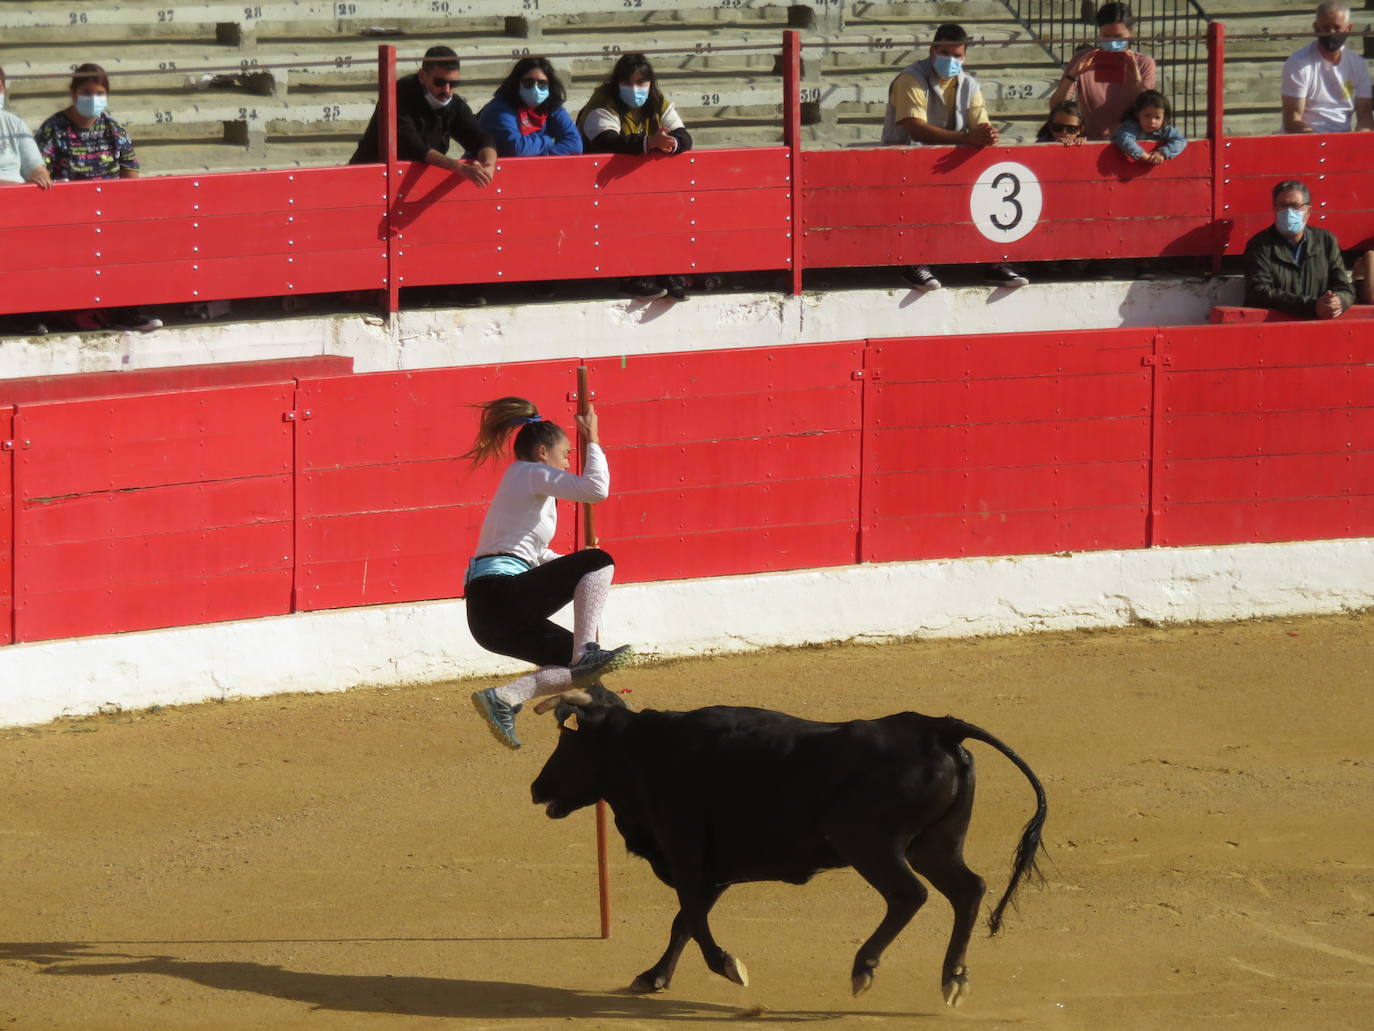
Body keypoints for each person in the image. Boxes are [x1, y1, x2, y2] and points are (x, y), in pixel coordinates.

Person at [464, 397, 633, 750]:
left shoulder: (522, 488)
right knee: (600, 561)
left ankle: (505, 697)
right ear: (543, 452)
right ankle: (587, 650)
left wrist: (575, 561)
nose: (568, 460)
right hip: (500, 595)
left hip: (490, 613)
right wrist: (595, 439)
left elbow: (537, 555)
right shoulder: (529, 472)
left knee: (586, 674)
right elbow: (595, 490)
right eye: (567, 453)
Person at [880, 23, 1029, 291]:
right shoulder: (910, 79)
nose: (951, 60)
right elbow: (914, 126)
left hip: (950, 162)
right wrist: (967, 139)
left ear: (964, 56)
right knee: (915, 206)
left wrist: (986, 135)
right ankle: (914, 262)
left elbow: (979, 125)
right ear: (932, 50)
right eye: (945, 53)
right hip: (906, 162)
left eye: (957, 55)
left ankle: (995, 262)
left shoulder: (969, 84)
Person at [34, 63, 160, 333]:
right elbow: (38, 169)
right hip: (67, 215)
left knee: (130, 245)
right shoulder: (53, 129)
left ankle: (127, 311)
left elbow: (130, 170)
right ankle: (71, 312)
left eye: (100, 93)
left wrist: (124, 211)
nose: (93, 99)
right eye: (86, 93)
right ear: (73, 94)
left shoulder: (114, 129)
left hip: (109, 213)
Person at [578, 53, 695, 301]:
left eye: (641, 83)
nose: (635, 89)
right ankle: (631, 276)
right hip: (599, 187)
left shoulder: (658, 103)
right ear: (616, 83)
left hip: (640, 185)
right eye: (628, 83)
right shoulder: (602, 106)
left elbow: (684, 137)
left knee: (669, 210)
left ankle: (666, 273)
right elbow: (607, 141)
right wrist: (649, 142)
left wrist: (670, 143)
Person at [350, 45, 497, 187]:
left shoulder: (453, 103)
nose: (446, 90)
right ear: (422, 76)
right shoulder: (399, 96)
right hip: (369, 179)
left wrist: (488, 166)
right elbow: (415, 147)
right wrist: (461, 169)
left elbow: (481, 138)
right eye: (439, 82)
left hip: (413, 184)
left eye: (453, 84)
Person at [1243, 179, 1354, 319]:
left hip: (1320, 328)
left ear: (1308, 211)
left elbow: (1344, 286)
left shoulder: (1326, 241)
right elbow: (1258, 292)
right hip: (1275, 328)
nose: (1289, 212)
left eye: (1295, 206)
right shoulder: (1259, 245)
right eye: (1282, 206)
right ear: (1274, 209)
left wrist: (1339, 301)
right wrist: (1312, 306)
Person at [1047, 3, 1157, 141]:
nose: (1112, 41)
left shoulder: (1143, 64)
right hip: (1088, 142)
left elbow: (1147, 111)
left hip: (1129, 142)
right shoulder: (1084, 60)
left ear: (1130, 33)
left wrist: (1136, 79)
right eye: (1106, 35)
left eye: (1118, 36)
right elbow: (1057, 107)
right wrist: (1073, 75)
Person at [1281, 2, 1373, 134]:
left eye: (1337, 28)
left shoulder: (1358, 65)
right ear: (1316, 28)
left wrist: (1359, 140)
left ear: (1348, 28)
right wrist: (1320, 142)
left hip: (1342, 140)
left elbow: (1365, 116)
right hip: (1306, 140)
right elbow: (1292, 119)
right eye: (1325, 27)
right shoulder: (1298, 63)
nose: (1331, 33)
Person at [478, 57, 582, 157]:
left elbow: (575, 145)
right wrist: (548, 140)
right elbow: (516, 149)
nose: (535, 89)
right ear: (516, 83)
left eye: (542, 83)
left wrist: (543, 153)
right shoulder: (499, 109)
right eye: (528, 82)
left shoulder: (552, 106)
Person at [0, 67, 52, 191]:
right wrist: (12, 187)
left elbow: (35, 167)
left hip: (19, 197)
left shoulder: (15, 123)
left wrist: (40, 177)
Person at [1112, 89, 1187, 164]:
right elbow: (1124, 139)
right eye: (1147, 116)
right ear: (1137, 114)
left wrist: (1162, 153)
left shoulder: (1164, 129)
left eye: (1157, 117)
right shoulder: (1131, 126)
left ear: (1164, 117)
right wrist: (1145, 156)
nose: (1152, 121)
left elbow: (1181, 140)